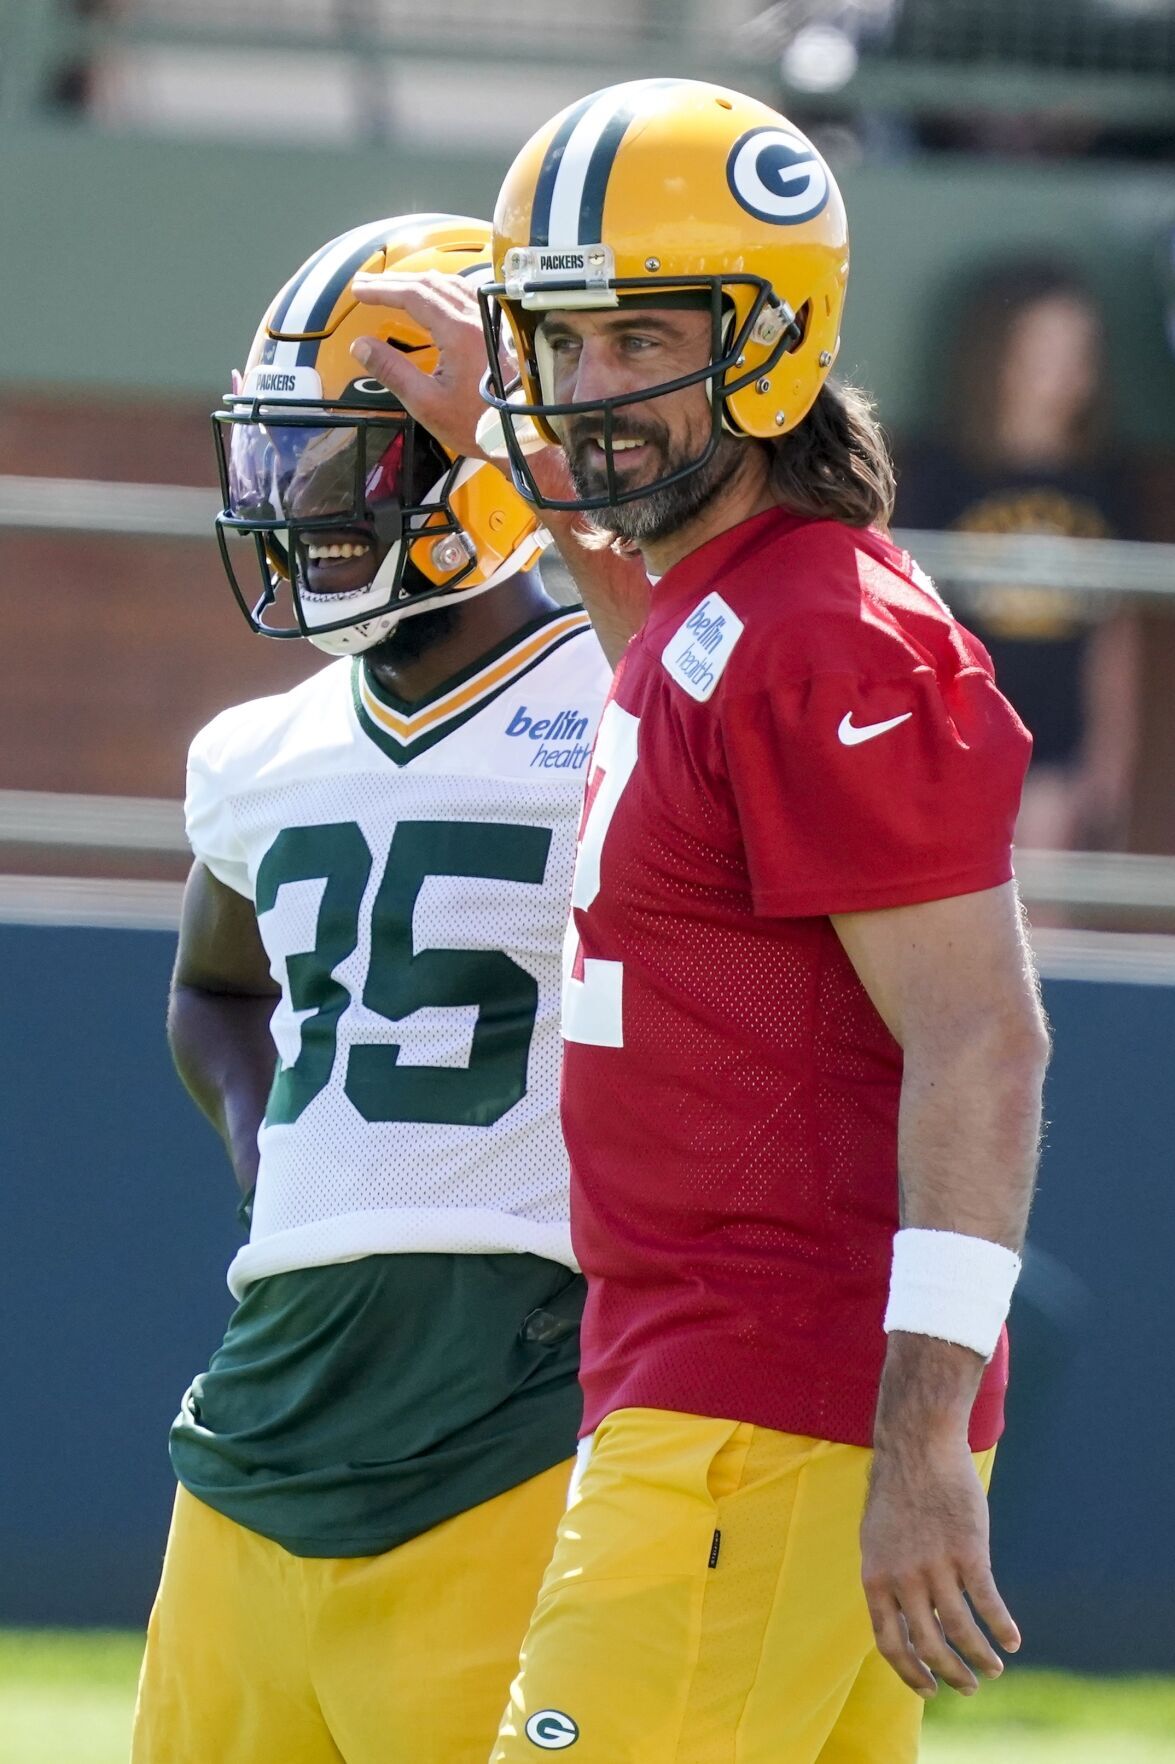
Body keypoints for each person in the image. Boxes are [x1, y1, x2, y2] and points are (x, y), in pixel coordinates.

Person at [353, 81, 1052, 1763]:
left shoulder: (832, 635)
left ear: (767, 345)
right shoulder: (719, 610)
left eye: (637, 339)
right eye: (560, 341)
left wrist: (921, 1433)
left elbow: (987, 1035)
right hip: (716, 1395)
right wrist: (495, 417)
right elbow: (644, 608)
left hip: (770, 1416)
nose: (590, 392)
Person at [130, 214, 612, 1764]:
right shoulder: (257, 749)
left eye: (351, 463)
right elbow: (215, 991)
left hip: (529, 1354)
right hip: (273, 1371)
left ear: (480, 464)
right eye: (281, 463)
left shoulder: (628, 694)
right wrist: (283, 1162)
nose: (302, 510)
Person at [895, 261, 1140, 853]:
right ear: (995, 355)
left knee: (1040, 916)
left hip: (1055, 743)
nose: (1066, 374)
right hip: (958, 734)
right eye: (1042, 352)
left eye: (1079, 352)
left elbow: (1118, 630)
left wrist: (1113, 753)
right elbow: (901, 622)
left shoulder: (1103, 479)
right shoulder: (940, 474)